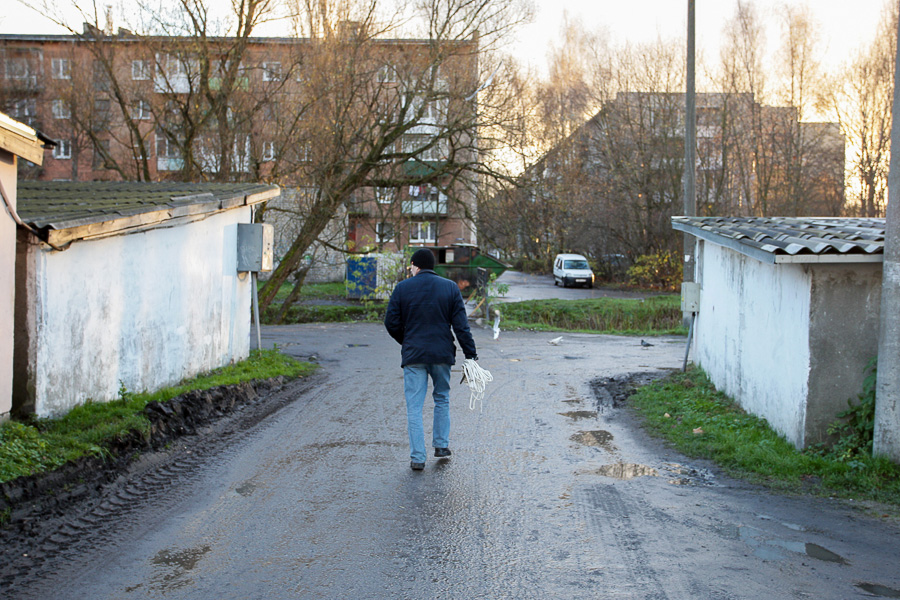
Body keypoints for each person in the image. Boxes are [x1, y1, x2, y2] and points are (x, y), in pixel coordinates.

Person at [384, 248, 478, 471]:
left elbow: (391, 322)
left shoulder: (402, 288)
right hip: (441, 354)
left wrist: (406, 341)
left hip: (414, 355)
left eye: (411, 266)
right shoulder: (450, 288)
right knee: (442, 397)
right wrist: (470, 353)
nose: (410, 270)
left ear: (416, 265)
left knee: (414, 406)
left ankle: (418, 457)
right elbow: (461, 326)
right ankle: (441, 445)